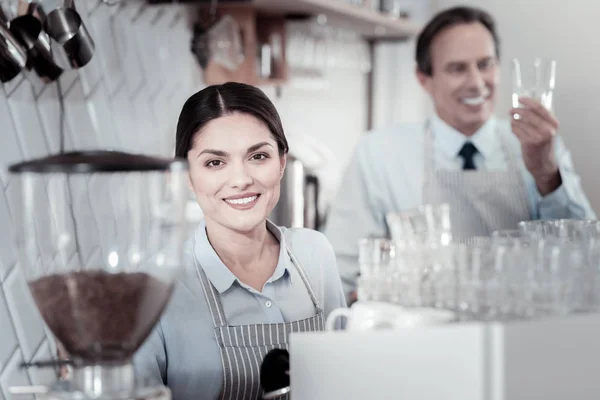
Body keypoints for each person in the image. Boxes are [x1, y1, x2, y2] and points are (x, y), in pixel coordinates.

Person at [323, 6, 597, 302]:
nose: (477, 83)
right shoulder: (379, 154)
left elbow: (586, 256)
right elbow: (340, 275)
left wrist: (547, 173)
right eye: (457, 69)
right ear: (424, 78)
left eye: (485, 65)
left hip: (525, 329)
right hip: (423, 338)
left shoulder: (540, 143)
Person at [133, 82, 346, 400]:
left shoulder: (315, 254)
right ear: (186, 176)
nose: (241, 180)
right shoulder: (155, 286)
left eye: (258, 156)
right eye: (215, 163)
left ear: (282, 162)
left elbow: (344, 380)